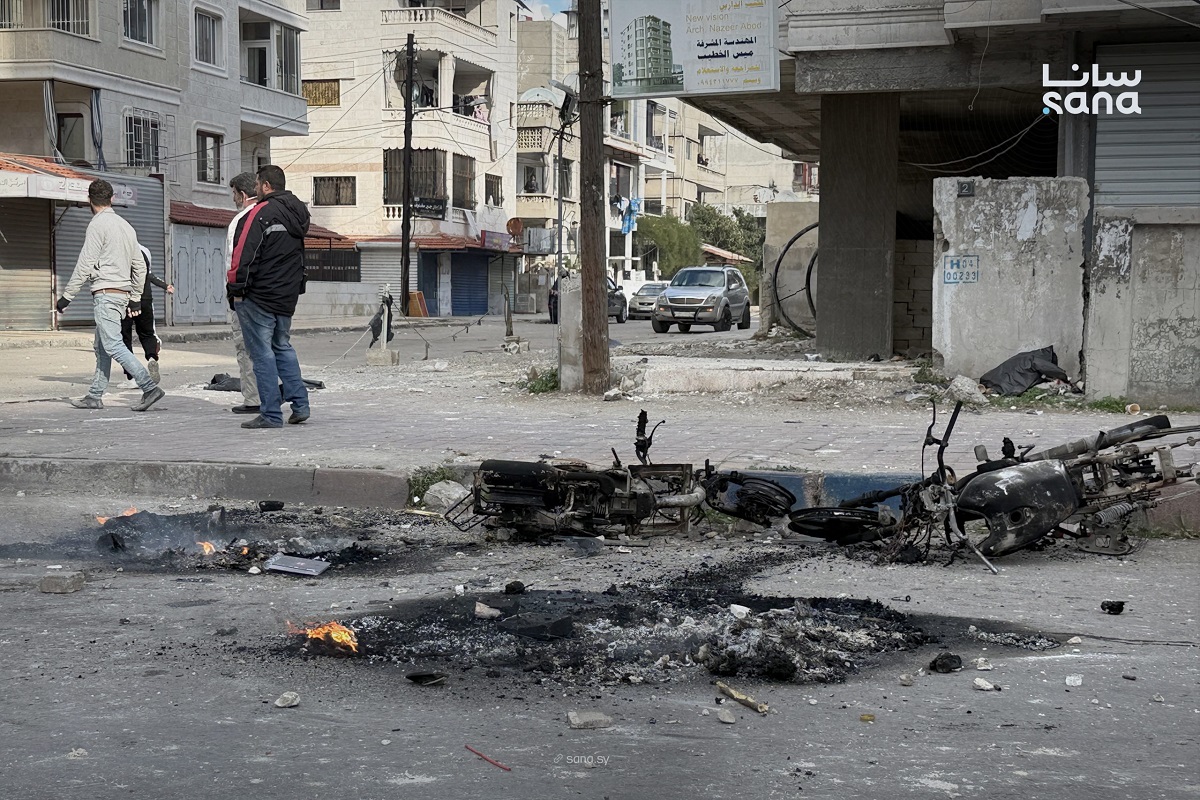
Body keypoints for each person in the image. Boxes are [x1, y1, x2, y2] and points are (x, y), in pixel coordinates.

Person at [56, 179, 164, 412]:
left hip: (106, 294)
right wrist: (135, 296)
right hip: (122, 294)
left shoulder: (97, 225)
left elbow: (85, 263)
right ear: (112, 198)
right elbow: (141, 266)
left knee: (113, 345)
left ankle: (148, 387)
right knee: (102, 346)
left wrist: (67, 296)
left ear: (89, 200)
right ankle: (95, 395)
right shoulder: (126, 225)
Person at [226, 164, 310, 429]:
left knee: (261, 354)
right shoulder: (299, 212)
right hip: (286, 296)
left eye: (259, 184)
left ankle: (271, 414)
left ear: (265, 186)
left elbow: (243, 256)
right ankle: (300, 404)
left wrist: (235, 289)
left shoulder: (260, 212)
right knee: (283, 347)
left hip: (258, 296)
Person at [224, 172, 262, 415]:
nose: (233, 198)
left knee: (246, 349)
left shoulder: (241, 220)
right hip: (271, 297)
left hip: (245, 297)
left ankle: (253, 399)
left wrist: (233, 296)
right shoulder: (270, 215)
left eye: (235, 193)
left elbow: (233, 263)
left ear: (244, 194)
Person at [119, 244, 173, 385]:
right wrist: (165, 285)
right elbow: (148, 274)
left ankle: (131, 378)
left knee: (125, 337)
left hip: (126, 298)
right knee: (147, 333)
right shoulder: (145, 251)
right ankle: (152, 358)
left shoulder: (119, 248)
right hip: (145, 298)